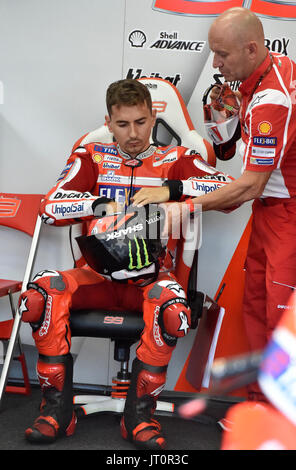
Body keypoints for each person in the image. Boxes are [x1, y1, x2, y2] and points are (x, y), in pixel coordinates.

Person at [19, 78, 234, 449]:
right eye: (122, 124)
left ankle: (138, 416)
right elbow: (49, 207)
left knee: (171, 307)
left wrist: (172, 190)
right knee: (41, 293)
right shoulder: (92, 157)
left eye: (140, 122)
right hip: (95, 276)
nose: (132, 134)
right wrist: (96, 204)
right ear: (108, 121)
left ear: (153, 117)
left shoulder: (177, 159)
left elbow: (229, 192)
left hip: (149, 279)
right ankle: (57, 411)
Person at [132, 8, 296, 403]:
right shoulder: (264, 72)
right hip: (271, 212)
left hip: (288, 214)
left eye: (221, 55)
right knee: (256, 307)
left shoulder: (273, 98)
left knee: (282, 322)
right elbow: (229, 156)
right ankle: (261, 406)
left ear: (252, 48)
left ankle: (282, 422)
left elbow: (248, 187)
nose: (216, 64)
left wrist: (185, 207)